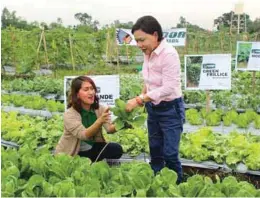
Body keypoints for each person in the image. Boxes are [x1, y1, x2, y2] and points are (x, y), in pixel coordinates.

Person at [125, 16, 185, 184]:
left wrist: (139, 100)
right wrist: (143, 93)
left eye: (142, 40)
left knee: (170, 154)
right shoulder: (148, 53)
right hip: (153, 108)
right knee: (156, 150)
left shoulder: (169, 54)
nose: (139, 45)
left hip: (170, 109)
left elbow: (169, 87)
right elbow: (150, 80)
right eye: (137, 41)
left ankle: (177, 187)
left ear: (155, 35)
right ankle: (156, 184)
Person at [55, 75, 123, 162]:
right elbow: (84, 135)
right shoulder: (70, 114)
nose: (91, 92)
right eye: (86, 89)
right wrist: (99, 121)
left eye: (92, 88)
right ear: (77, 94)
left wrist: (123, 124)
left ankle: (92, 160)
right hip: (75, 152)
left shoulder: (100, 109)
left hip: (93, 147)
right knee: (81, 165)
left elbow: (109, 129)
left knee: (116, 149)